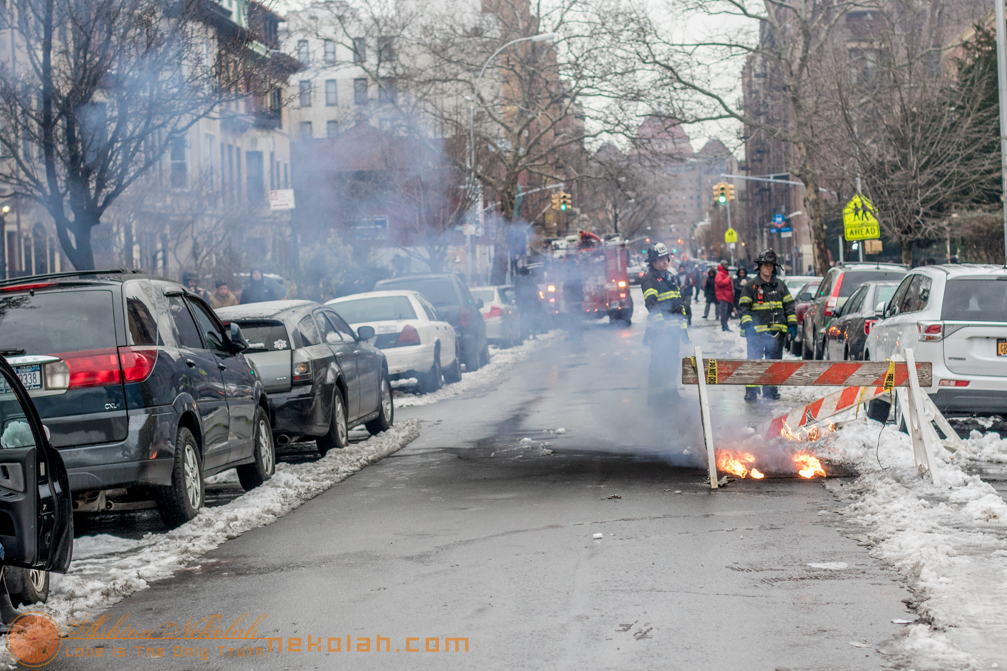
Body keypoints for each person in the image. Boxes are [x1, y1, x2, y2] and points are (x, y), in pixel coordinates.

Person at [738, 249, 796, 402]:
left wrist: (792, 324)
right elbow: (743, 309)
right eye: (765, 265)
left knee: (774, 364)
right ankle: (751, 391)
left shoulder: (781, 286)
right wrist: (748, 325)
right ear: (760, 266)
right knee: (754, 362)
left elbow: (789, 306)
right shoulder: (750, 287)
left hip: (776, 334)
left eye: (771, 265)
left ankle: (770, 391)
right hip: (756, 335)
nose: (768, 268)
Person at [641, 243, 688, 406]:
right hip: (660, 331)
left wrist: (682, 326)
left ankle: (671, 394)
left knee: (672, 362)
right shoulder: (649, 279)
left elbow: (677, 302)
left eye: (666, 259)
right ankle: (655, 400)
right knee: (659, 363)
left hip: (673, 329)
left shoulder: (670, 277)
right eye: (660, 260)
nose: (664, 262)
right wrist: (660, 326)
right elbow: (652, 304)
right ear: (653, 262)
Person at [563, 254, 585, 346]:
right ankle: (579, 336)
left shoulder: (568, 273)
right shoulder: (578, 271)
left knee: (572, 319)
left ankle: (573, 336)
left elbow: (566, 287)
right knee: (578, 318)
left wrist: (566, 298)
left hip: (571, 300)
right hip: (578, 299)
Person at [715, 261, 734, 332]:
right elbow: (720, 283)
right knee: (724, 313)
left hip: (728, 296)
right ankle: (724, 327)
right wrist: (728, 279)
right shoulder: (720, 274)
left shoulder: (726, 273)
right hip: (723, 296)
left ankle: (726, 326)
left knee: (727, 313)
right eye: (726, 265)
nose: (727, 266)